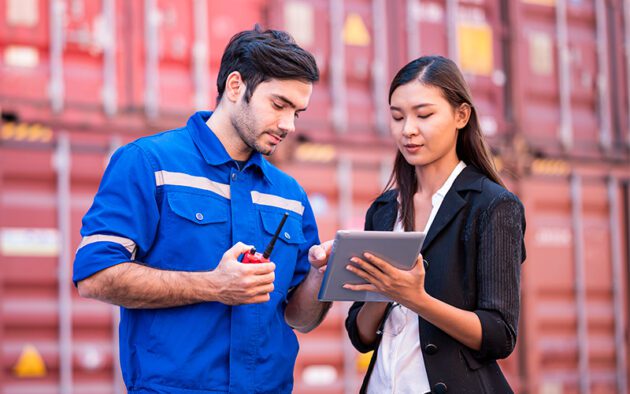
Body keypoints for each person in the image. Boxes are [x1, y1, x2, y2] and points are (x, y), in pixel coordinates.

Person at [73, 26, 331, 394]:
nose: (288, 125)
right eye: (278, 105)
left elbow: (299, 319)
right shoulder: (148, 163)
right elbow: (94, 276)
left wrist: (324, 276)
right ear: (236, 86)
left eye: (297, 112)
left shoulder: (290, 195)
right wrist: (215, 286)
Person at [341, 56, 526, 393]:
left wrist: (416, 298)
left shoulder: (494, 206)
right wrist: (383, 290)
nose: (407, 129)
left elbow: (500, 335)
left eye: (424, 115)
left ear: (461, 115)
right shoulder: (384, 210)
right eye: (398, 117)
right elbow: (361, 335)